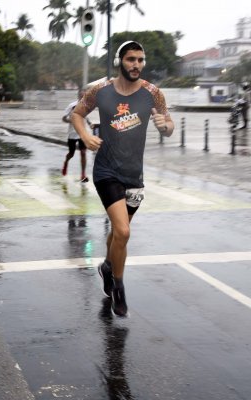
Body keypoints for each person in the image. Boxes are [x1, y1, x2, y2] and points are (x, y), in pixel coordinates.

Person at [72, 40, 174, 317]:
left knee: (119, 231)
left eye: (140, 60)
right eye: (131, 59)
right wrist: (85, 135)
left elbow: (168, 125)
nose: (136, 65)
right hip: (106, 170)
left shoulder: (153, 94)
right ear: (120, 61)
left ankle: (107, 266)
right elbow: (76, 114)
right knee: (124, 232)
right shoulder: (101, 91)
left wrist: (166, 127)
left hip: (134, 174)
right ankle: (118, 286)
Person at [61, 89, 92, 182]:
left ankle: (83, 174)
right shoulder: (71, 106)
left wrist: (90, 124)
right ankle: (66, 162)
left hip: (82, 133)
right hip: (72, 134)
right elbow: (63, 118)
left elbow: (86, 117)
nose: (83, 98)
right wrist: (71, 120)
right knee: (71, 154)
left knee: (83, 153)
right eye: (81, 96)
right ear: (78, 96)